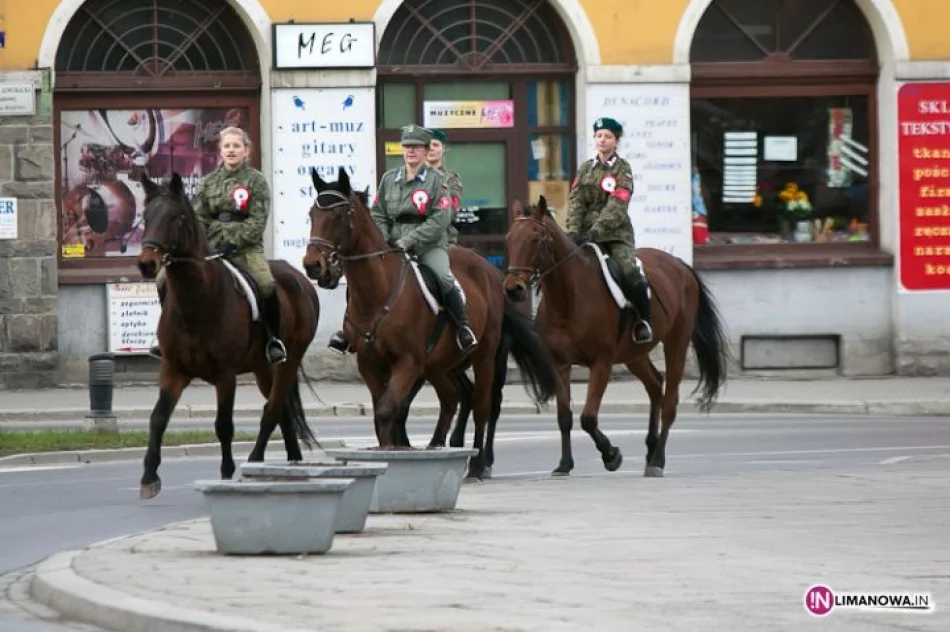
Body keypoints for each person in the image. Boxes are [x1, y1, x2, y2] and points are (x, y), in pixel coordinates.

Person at [327, 124, 477, 355]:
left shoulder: (437, 180)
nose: (410, 151)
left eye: (416, 147)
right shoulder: (389, 179)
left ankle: (462, 327)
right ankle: (349, 331)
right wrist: (384, 238)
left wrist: (408, 241)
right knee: (362, 277)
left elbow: (440, 219)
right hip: (391, 244)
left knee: (443, 277)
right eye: (407, 147)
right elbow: (378, 213)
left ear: (425, 151)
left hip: (428, 245)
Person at [148, 126, 288, 364]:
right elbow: (199, 219)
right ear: (220, 151)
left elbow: (257, 221)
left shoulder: (256, 181)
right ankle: (168, 335)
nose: (231, 150)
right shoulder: (208, 182)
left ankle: (273, 339)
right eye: (227, 146)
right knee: (163, 278)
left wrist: (233, 242)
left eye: (236, 146)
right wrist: (206, 244)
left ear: (246, 150)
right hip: (210, 248)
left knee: (266, 284)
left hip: (245, 248)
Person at [565, 116, 652, 344]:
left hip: (615, 234)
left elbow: (618, 205)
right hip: (583, 234)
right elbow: (575, 202)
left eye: (608, 137)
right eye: (599, 136)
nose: (602, 140)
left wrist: (597, 231)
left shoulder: (622, 169)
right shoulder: (586, 168)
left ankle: (643, 320)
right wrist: (573, 230)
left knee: (628, 270)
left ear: (616, 141)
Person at [426, 128, 464, 245]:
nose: (431, 148)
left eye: (435, 145)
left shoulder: (451, 179)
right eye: (427, 145)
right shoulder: (410, 177)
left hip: (442, 241)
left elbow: (448, 212)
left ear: (443, 149)